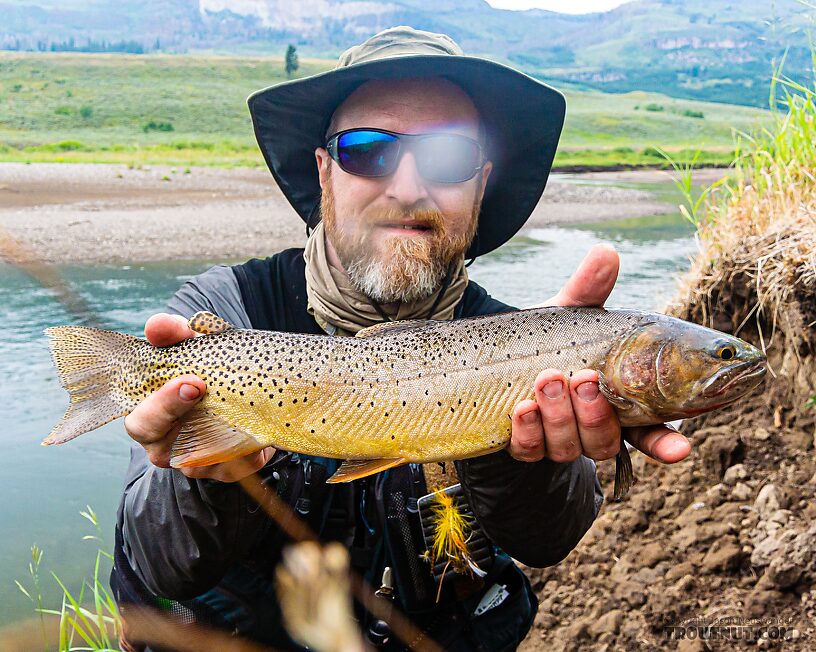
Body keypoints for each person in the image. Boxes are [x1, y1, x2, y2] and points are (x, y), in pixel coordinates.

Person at [112, 26, 691, 651]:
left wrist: (516, 445)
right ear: (323, 172)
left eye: (448, 157)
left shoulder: (526, 342)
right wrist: (204, 477)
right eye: (366, 149)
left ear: (482, 182)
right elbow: (160, 564)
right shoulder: (222, 315)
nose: (409, 187)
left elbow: (549, 540)